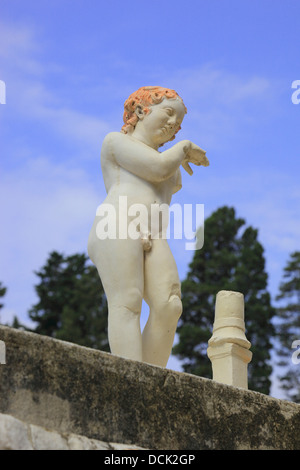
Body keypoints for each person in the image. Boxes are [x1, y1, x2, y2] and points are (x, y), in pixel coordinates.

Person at [88, 86, 209, 367]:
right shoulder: (115, 142)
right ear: (142, 111)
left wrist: (177, 156)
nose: (173, 125)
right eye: (168, 113)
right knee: (127, 301)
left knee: (169, 304)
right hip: (116, 224)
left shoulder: (171, 163)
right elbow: (156, 168)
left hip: (153, 235)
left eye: (178, 124)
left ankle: (151, 380)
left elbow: (163, 171)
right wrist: (183, 149)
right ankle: (131, 380)